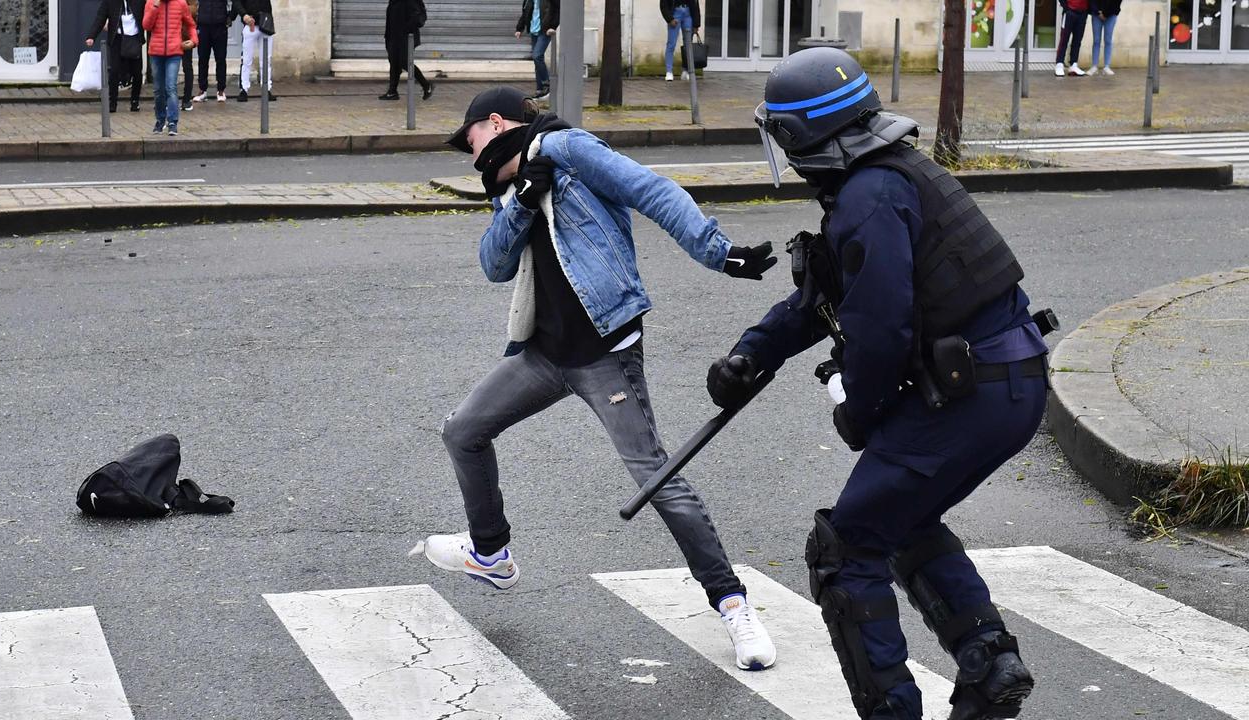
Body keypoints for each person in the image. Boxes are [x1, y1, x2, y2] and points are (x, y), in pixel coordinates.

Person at [709, 48, 1052, 719]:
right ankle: (989, 662)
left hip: (969, 394)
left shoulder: (868, 196)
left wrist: (861, 413)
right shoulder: (887, 176)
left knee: (845, 548)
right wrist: (752, 354)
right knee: (903, 519)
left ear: (803, 133)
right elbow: (828, 298)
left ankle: (892, 708)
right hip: (1010, 382)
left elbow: (881, 329)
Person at [421, 86, 780, 672]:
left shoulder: (568, 149)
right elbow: (494, 265)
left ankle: (734, 605)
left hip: (605, 356)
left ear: (495, 122)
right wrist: (520, 203)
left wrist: (720, 252)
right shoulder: (514, 185)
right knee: (462, 431)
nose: (470, 154)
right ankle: (490, 553)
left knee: (657, 478)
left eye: (471, 140)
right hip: (542, 356)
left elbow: (651, 191)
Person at [142, 0, 197, 134]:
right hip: (156, 52)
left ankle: (172, 122)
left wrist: (194, 41)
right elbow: (146, 25)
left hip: (174, 52)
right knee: (158, 90)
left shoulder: (180, 3)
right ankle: (160, 121)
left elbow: (191, 24)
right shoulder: (151, 2)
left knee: (170, 87)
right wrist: (155, 6)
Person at [85, 0, 146, 112]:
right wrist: (91, 36)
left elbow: (149, 15)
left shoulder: (140, 1)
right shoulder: (110, 2)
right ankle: (112, 102)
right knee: (114, 72)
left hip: (134, 39)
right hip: (117, 39)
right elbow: (100, 18)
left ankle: (135, 101)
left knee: (137, 72)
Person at [380, 0, 433, 101]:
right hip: (393, 36)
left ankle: (426, 85)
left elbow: (417, 17)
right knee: (394, 62)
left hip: (406, 37)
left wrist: (406, 29)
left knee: (404, 62)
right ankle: (392, 92)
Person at [191, 0, 237, 102]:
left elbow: (235, 2)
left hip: (220, 25)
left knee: (220, 59)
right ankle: (202, 90)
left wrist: (230, 17)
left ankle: (221, 89)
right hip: (203, 25)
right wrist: (195, 17)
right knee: (202, 58)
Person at [514, 0, 556, 101]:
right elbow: (526, 12)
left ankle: (547, 85)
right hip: (534, 30)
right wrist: (519, 28)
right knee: (537, 60)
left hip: (545, 31)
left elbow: (557, 11)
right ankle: (540, 90)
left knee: (537, 56)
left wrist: (553, 26)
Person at [237, 0, 274, 102]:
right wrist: (243, 15)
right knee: (246, 60)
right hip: (250, 24)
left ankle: (266, 88)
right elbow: (237, 2)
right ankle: (244, 89)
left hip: (265, 23)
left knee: (266, 59)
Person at [660, 0, 700, 82]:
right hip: (675, 14)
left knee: (688, 44)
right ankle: (669, 71)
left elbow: (695, 4)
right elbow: (663, 4)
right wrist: (669, 19)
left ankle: (686, 71)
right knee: (671, 43)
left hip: (688, 14)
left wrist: (696, 24)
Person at [1055, 0, 1090, 76]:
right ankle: (1059, 63)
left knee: (1077, 40)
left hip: (1083, 13)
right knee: (1064, 39)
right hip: (1069, 12)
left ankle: (1073, 64)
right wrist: (1066, 7)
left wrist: (1088, 10)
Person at [1087, 0, 1121, 76]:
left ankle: (1107, 66)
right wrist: (1097, 12)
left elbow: (1116, 2)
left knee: (1108, 40)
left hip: (1111, 14)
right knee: (1096, 41)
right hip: (1096, 14)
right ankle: (1094, 66)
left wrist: (1105, 14)